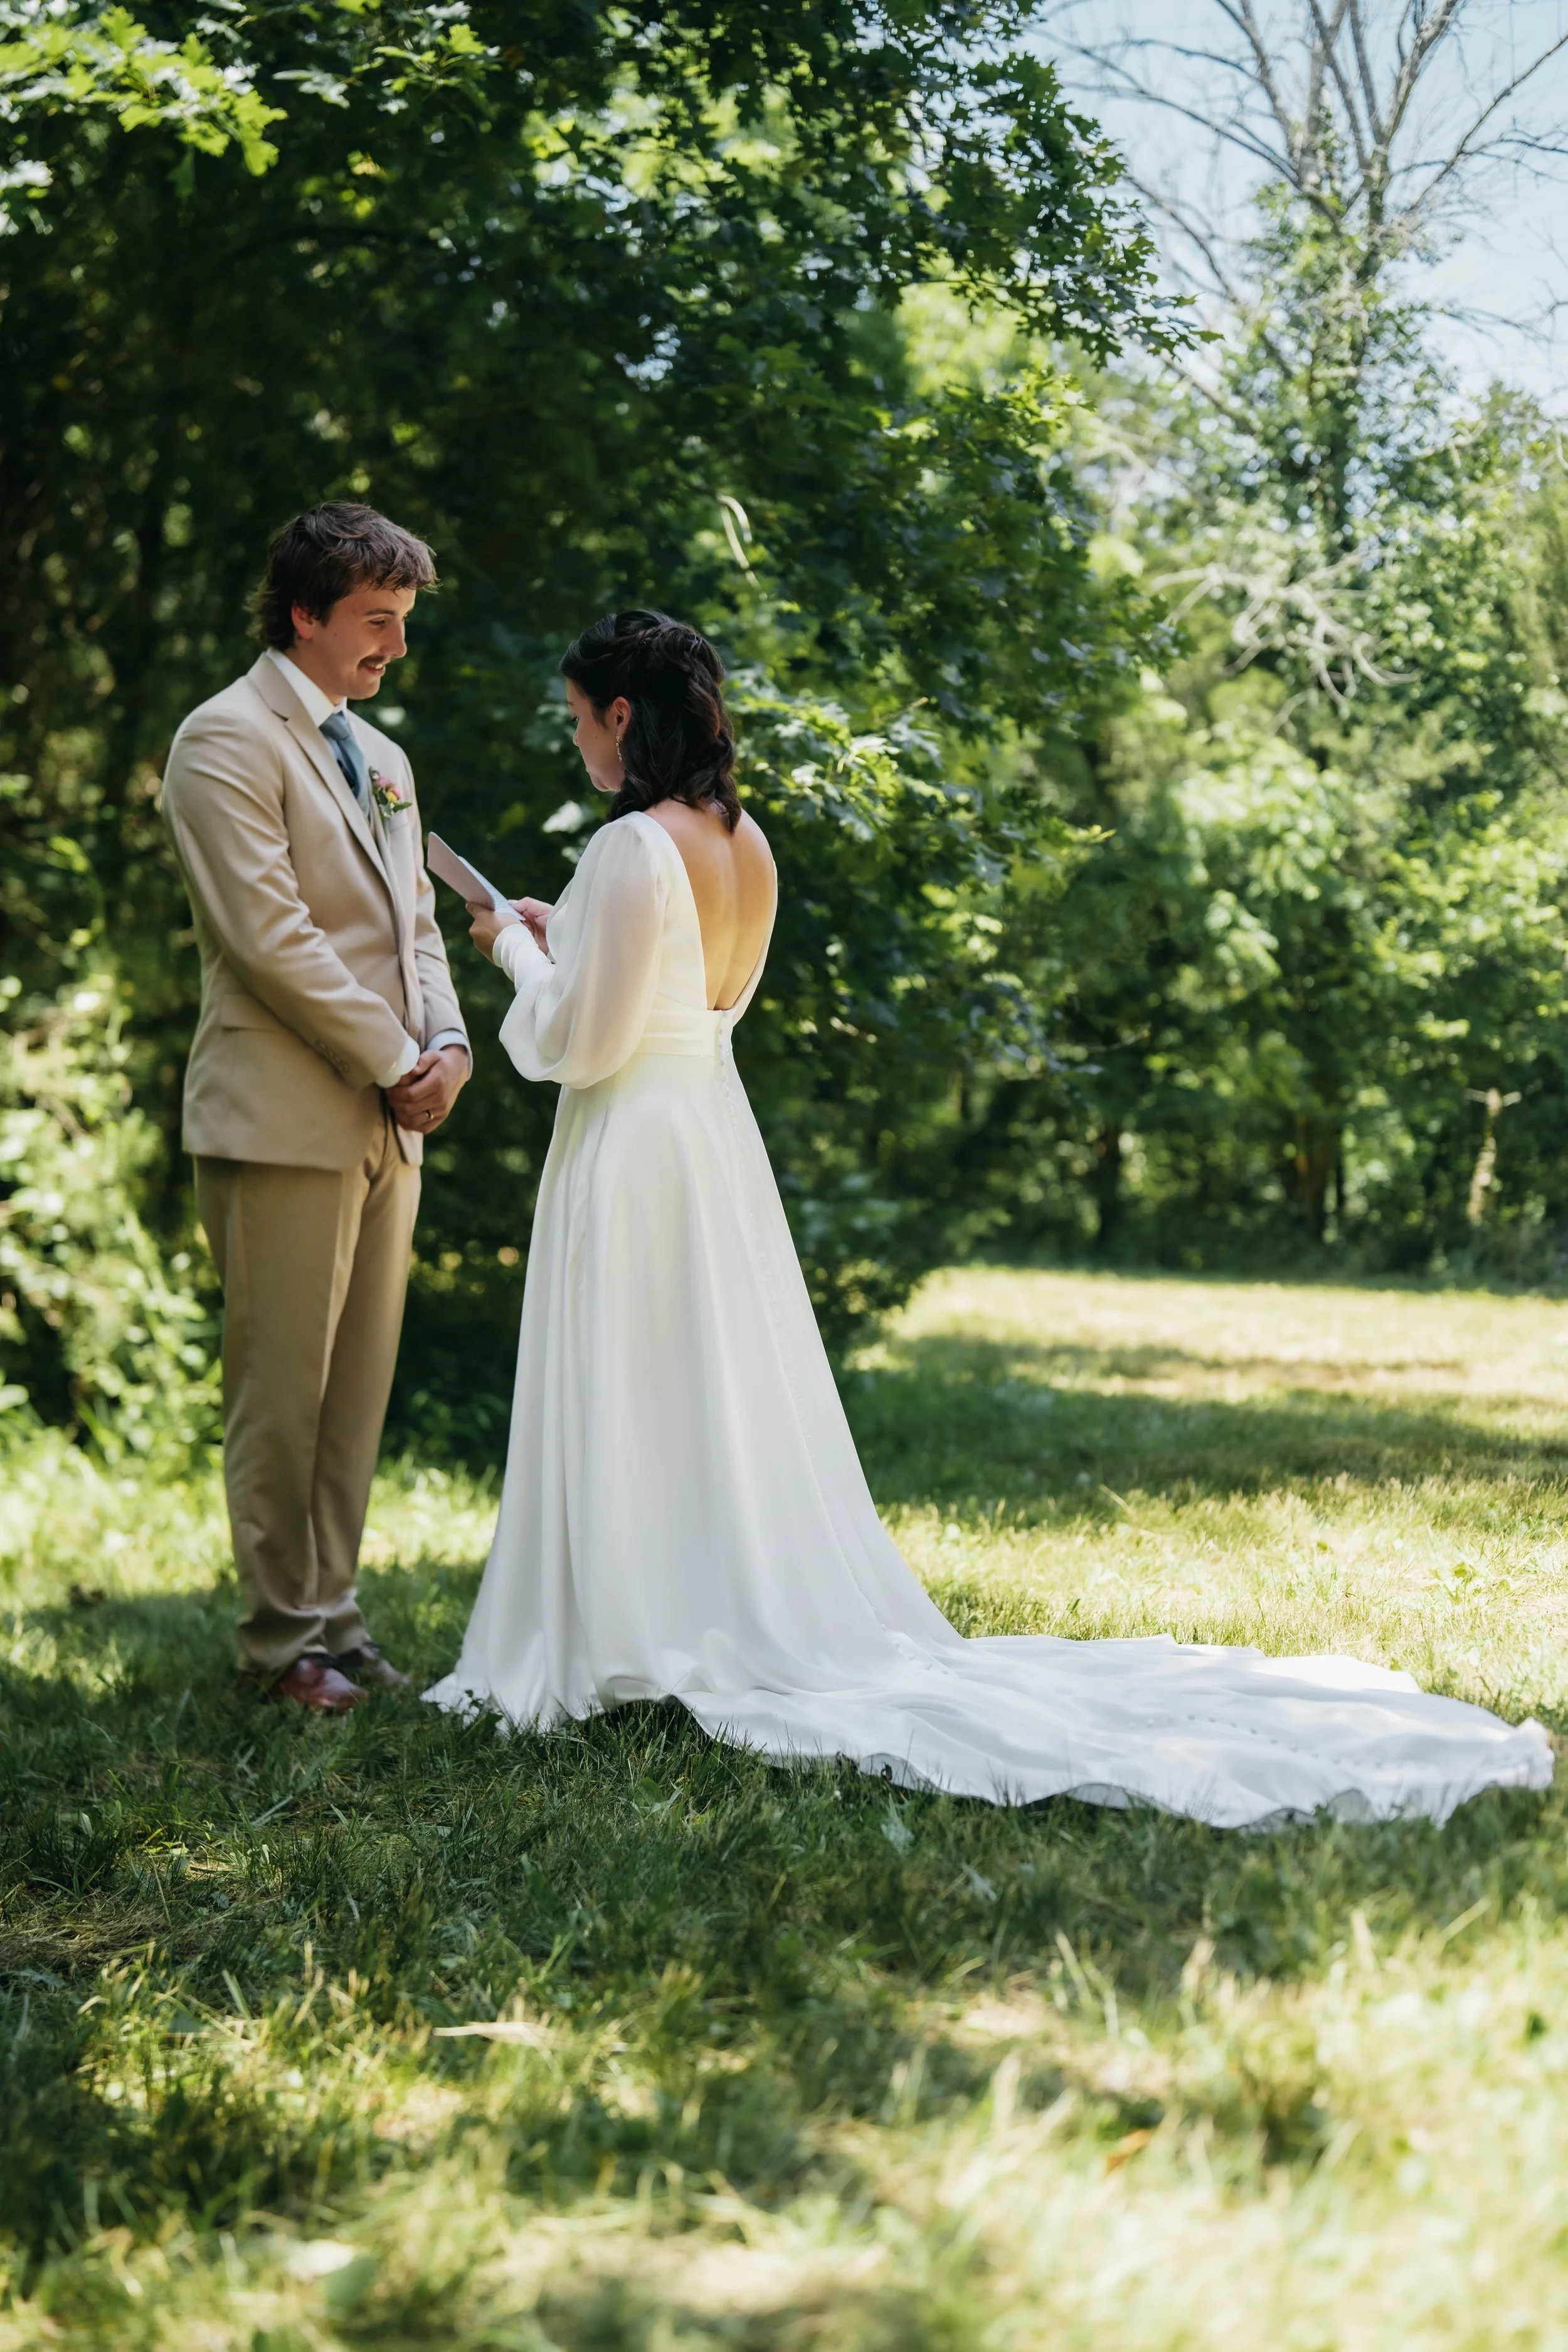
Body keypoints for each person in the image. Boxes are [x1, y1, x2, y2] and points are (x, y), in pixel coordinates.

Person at [425, 610, 1552, 1827]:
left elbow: (578, 1043)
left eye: (578, 717)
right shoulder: (744, 847)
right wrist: (566, 936)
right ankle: (677, 1604)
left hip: (635, 1146)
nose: (576, 739)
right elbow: (669, 996)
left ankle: (621, 1626)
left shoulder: (630, 848)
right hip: (706, 1134)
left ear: (621, 715)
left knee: (636, 1383)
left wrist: (509, 952)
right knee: (708, 1391)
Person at [162, 504, 470, 1713]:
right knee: (280, 1392)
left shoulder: (383, 758)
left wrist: (444, 1043)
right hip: (281, 1113)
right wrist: (397, 1055)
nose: (393, 647)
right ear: (305, 612)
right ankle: (278, 1641)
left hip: (392, 1117)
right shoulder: (223, 741)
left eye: (402, 622)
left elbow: (418, 927)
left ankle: (335, 1620)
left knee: (354, 1393)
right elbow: (271, 939)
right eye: (375, 622)